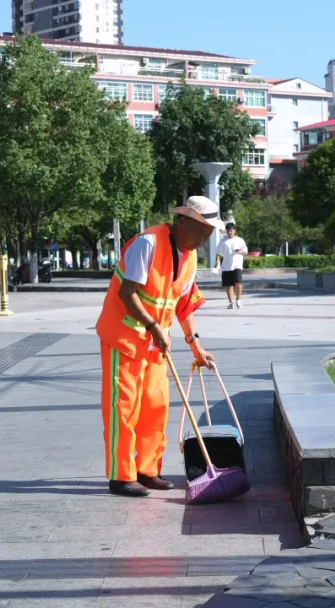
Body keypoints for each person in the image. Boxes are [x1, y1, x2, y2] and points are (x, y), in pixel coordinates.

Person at [95, 196, 219, 497]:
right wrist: (152, 326)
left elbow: (184, 305)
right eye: (200, 232)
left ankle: (147, 470)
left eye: (208, 235)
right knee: (124, 408)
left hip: (154, 346)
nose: (202, 241)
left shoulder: (188, 258)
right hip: (123, 338)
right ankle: (121, 476)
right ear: (181, 222)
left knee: (156, 406)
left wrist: (196, 348)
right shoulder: (147, 244)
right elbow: (128, 293)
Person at [215, 222, 248, 309]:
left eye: (231, 231)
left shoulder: (239, 240)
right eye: (228, 231)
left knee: (238, 282)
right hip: (226, 266)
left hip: (237, 265)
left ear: (235, 231)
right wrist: (217, 260)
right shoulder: (223, 241)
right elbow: (218, 252)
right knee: (229, 285)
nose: (230, 232)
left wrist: (240, 251)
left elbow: (245, 250)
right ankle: (231, 302)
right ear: (226, 231)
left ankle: (238, 300)